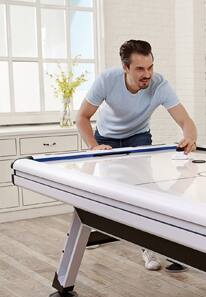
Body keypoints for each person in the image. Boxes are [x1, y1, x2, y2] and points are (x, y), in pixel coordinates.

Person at [76, 39, 197, 272]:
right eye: (140, 69)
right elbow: (82, 117)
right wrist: (93, 146)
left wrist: (189, 137)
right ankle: (97, 229)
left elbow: (185, 120)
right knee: (106, 192)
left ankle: (149, 246)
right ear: (125, 67)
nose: (147, 74)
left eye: (150, 67)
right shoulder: (106, 80)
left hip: (138, 136)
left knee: (144, 192)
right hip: (106, 139)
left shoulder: (159, 85)